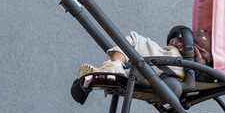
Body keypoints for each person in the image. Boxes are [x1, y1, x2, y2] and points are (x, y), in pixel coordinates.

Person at [77, 30, 212, 78]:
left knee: (135, 40)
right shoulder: (216, 40)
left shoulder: (215, 42)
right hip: (179, 62)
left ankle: (114, 64)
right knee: (136, 72)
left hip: (181, 62)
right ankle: (103, 74)